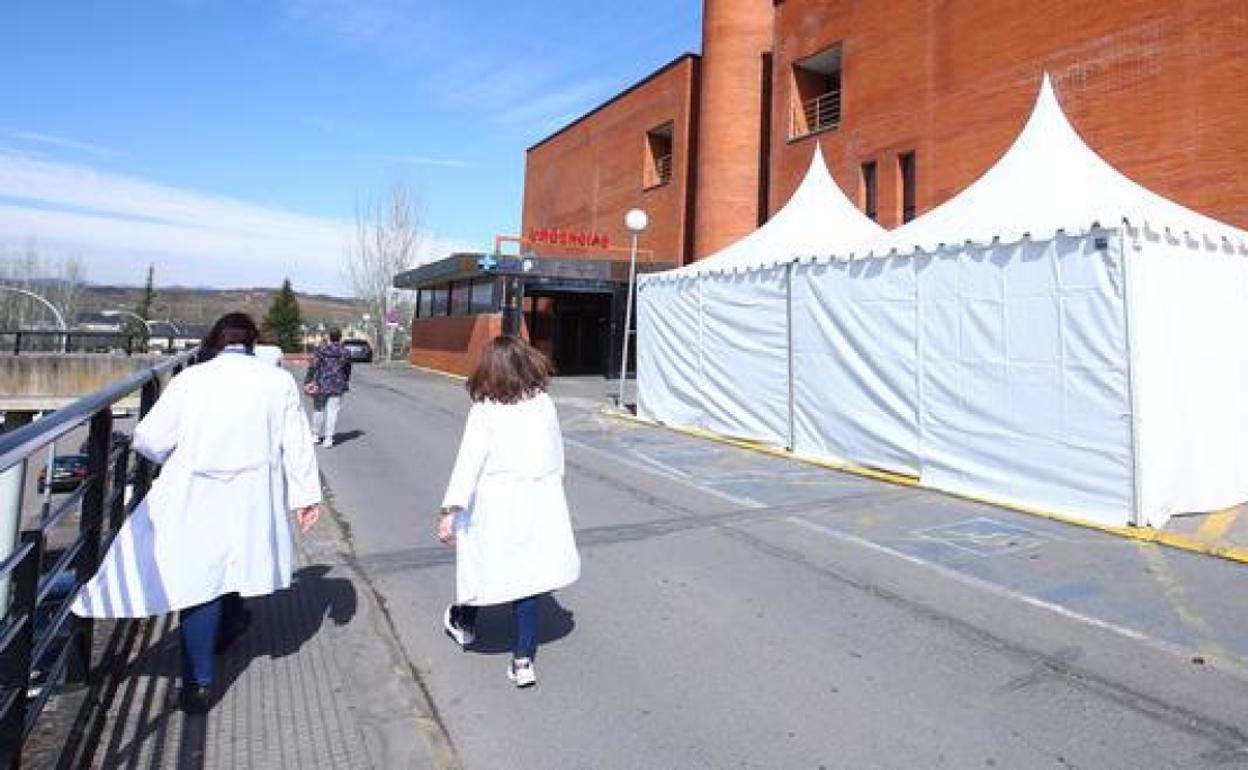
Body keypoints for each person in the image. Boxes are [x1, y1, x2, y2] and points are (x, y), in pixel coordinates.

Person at [71, 312, 321, 714]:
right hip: (253, 491)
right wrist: (305, 497)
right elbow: (297, 442)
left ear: (216, 341)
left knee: (199, 579)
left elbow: (150, 438)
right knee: (237, 561)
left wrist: (176, 457)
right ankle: (229, 625)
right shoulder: (277, 382)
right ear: (253, 343)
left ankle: (198, 682)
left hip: (197, 491)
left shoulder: (191, 379)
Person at [436, 336, 580, 688]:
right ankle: (522, 660)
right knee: (528, 576)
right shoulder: (543, 403)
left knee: (482, 563)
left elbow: (469, 463)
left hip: (495, 501)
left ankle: (465, 622)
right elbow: (556, 454)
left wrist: (451, 510)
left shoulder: (485, 409)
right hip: (537, 497)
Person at [304, 328, 352, 448]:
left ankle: (315, 435)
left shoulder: (321, 349)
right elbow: (347, 369)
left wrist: (308, 380)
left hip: (321, 384)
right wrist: (345, 381)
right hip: (337, 385)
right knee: (332, 412)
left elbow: (314, 366)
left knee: (318, 410)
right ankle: (328, 439)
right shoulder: (345, 352)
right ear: (340, 337)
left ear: (330, 337)